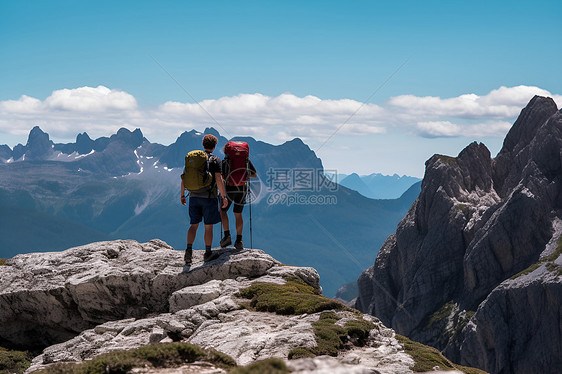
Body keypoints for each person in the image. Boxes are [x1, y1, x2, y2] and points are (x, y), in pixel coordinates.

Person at [181, 134, 228, 264]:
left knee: (193, 225)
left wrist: (182, 195)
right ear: (214, 146)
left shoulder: (194, 160)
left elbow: (184, 177)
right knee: (208, 227)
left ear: (203, 145)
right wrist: (224, 196)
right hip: (209, 197)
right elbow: (218, 179)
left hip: (194, 196)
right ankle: (207, 253)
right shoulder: (215, 160)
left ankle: (188, 252)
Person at [219, 142, 257, 250]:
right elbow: (254, 174)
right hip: (242, 188)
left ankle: (227, 236)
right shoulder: (246, 160)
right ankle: (239, 240)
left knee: (223, 211)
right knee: (238, 213)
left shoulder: (226, 160)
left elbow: (222, 175)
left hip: (229, 188)